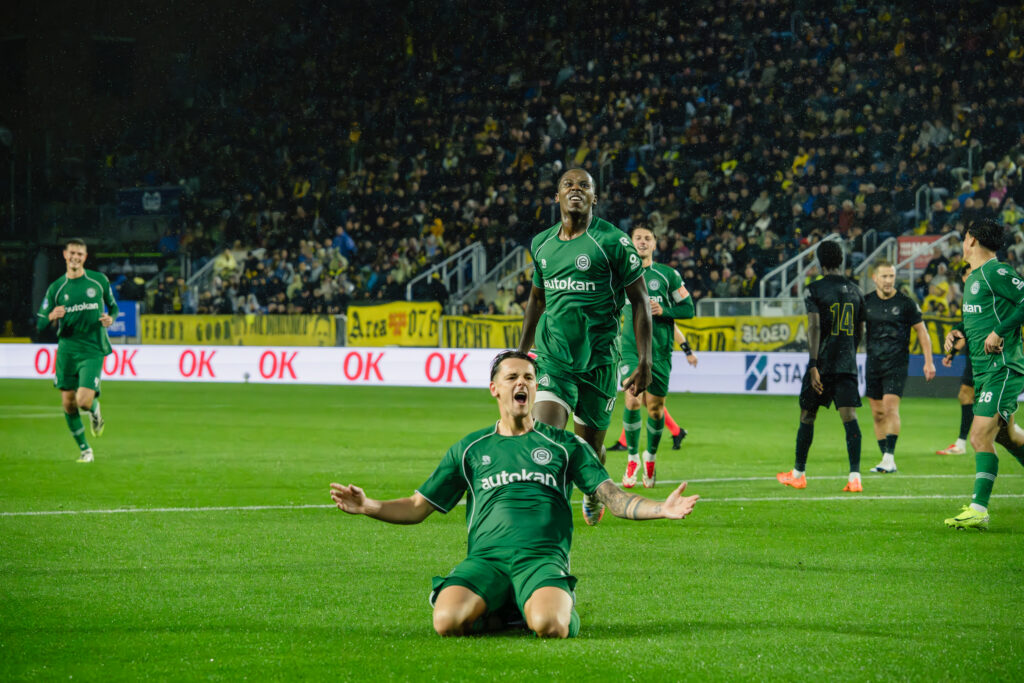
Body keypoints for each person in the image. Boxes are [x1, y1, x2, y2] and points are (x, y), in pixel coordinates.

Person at [329, 351, 699, 638]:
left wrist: (660, 508)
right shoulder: (471, 448)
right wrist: (369, 505)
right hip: (486, 560)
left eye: (528, 378)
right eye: (512, 377)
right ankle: (510, 610)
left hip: (541, 560)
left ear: (536, 389)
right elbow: (416, 507)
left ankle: (549, 606)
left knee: (551, 626)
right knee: (446, 622)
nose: (521, 383)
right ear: (495, 388)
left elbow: (614, 498)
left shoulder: (566, 445)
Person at [517, 168, 653, 526]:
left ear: (595, 198)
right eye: (568, 185)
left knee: (589, 451)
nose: (575, 190)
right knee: (546, 441)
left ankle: (592, 490)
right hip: (554, 359)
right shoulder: (542, 244)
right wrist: (520, 352)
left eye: (584, 186)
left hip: (599, 363)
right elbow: (536, 299)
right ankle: (548, 520)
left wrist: (645, 360)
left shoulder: (613, 242)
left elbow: (640, 300)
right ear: (557, 197)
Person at [941, 219, 1024, 530]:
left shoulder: (996, 272)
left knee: (978, 436)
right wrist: (958, 333)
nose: (963, 243)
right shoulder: (975, 277)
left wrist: (1000, 331)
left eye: (964, 237)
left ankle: (978, 509)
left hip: (1002, 369)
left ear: (972, 240)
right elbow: (980, 320)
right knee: (1007, 437)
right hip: (985, 372)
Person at [777, 240, 866, 492]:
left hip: (822, 363)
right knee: (849, 417)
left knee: (808, 415)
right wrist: (849, 352)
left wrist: (814, 364)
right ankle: (855, 477)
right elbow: (860, 329)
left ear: (819, 262)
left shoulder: (814, 289)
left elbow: (814, 326)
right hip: (846, 363)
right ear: (841, 261)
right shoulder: (857, 291)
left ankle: (798, 473)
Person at [614, 224, 695, 488]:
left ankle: (650, 457)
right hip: (630, 349)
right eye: (637, 238)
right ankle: (632, 459)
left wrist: (664, 310)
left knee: (656, 409)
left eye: (647, 238)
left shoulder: (668, 275)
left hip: (659, 352)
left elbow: (688, 309)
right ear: (631, 243)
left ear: (654, 244)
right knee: (632, 399)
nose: (642, 242)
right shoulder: (620, 275)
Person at [35, 238, 118, 463]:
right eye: (72, 253)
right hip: (67, 350)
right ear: (65, 255)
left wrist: (111, 318)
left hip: (92, 349)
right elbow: (40, 323)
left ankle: (95, 411)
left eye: (79, 254)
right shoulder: (56, 288)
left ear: (85, 257)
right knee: (68, 403)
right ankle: (85, 450)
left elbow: (114, 307)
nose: (75, 257)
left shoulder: (98, 281)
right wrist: (51, 316)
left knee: (83, 401)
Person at [863, 261, 936, 473]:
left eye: (891, 276)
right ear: (875, 278)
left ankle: (889, 457)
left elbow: (922, 331)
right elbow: (857, 330)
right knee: (877, 413)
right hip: (873, 363)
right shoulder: (866, 302)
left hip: (896, 363)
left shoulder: (906, 303)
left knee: (890, 408)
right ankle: (885, 459)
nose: (888, 281)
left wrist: (929, 361)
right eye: (884, 276)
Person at [610, 326, 696, 453]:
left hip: (652, 356)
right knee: (640, 399)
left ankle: (626, 442)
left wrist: (687, 351)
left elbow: (673, 327)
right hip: (636, 352)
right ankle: (677, 431)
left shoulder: (658, 315)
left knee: (641, 399)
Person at [936, 266, 975, 456]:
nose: (966, 279)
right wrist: (952, 352)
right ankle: (961, 443)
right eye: (965, 275)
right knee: (966, 394)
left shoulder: (989, 294)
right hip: (974, 354)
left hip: (989, 354)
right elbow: (967, 328)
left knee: (992, 406)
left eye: (969, 274)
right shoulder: (969, 297)